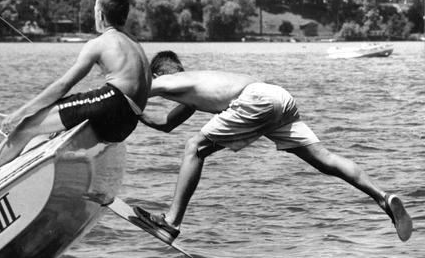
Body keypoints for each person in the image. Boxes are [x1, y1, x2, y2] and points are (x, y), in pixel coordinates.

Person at [134, 50, 413, 242]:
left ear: (160, 75)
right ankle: (383, 198)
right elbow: (165, 124)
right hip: (278, 96)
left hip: (255, 100)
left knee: (194, 146)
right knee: (324, 159)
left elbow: (134, 88)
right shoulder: (194, 90)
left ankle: (171, 222)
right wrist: (138, 114)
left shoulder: (170, 79)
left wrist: (96, 105)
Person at [0, 0, 151, 185]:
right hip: (130, 121)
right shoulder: (136, 44)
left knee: (28, 126)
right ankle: (22, 174)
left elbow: (63, 85)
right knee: (56, 129)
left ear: (100, 15)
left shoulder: (99, 43)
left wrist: (20, 113)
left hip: (114, 104)